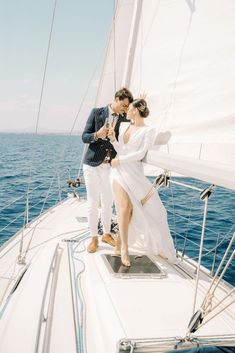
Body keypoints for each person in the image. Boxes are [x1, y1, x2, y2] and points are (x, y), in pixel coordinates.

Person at [108, 98, 177, 266]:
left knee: (157, 211)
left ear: (135, 111)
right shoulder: (125, 126)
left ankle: (128, 244)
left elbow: (140, 154)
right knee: (125, 208)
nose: (127, 110)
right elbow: (121, 149)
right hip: (118, 172)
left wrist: (120, 160)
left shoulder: (148, 130)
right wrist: (113, 140)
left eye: (129, 107)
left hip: (134, 174)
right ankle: (124, 248)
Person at [82, 87, 133, 253]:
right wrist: (98, 134)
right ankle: (93, 238)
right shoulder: (97, 113)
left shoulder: (125, 118)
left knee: (108, 202)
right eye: (124, 105)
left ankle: (106, 234)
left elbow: (125, 140)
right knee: (92, 202)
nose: (126, 109)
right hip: (92, 165)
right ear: (117, 99)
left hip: (110, 166)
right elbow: (84, 136)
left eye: (127, 106)